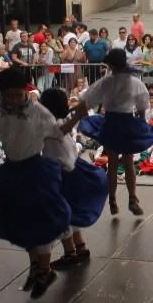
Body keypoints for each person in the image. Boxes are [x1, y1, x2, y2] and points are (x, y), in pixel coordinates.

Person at [0, 69, 70, 298]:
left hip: (36, 169)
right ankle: (35, 264)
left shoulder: (39, 112)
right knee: (20, 220)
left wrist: (66, 161)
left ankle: (45, 269)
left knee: (42, 219)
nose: (13, 100)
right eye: (8, 96)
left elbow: (57, 135)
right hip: (12, 170)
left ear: (26, 92)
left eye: (18, 95)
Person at [62, 48, 153, 216]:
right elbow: (142, 107)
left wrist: (79, 114)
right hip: (127, 122)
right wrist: (140, 124)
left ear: (111, 65)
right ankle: (132, 198)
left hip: (111, 123)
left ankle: (113, 200)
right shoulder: (134, 82)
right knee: (128, 162)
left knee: (113, 163)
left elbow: (87, 98)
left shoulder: (106, 82)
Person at [39, 88, 109, 268]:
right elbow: (61, 129)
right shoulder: (57, 120)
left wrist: (78, 113)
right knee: (71, 210)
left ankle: (71, 252)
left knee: (61, 213)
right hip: (71, 169)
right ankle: (80, 247)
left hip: (61, 173)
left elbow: (60, 130)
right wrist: (78, 113)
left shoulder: (51, 121)